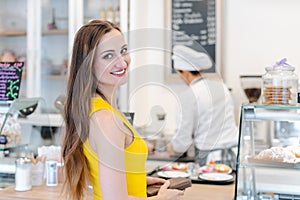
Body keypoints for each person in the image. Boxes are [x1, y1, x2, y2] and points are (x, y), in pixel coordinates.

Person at [61, 20, 184, 200]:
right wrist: (163, 198)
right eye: (108, 56)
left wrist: (136, 179)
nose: (122, 62)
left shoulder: (97, 109)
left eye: (123, 51)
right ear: (88, 65)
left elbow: (97, 175)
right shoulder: (106, 120)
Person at [167, 45, 239, 167]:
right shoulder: (222, 87)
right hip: (235, 155)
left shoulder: (188, 95)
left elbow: (182, 142)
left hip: (210, 160)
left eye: (179, 73)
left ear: (184, 72)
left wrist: (171, 147)